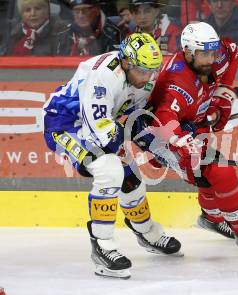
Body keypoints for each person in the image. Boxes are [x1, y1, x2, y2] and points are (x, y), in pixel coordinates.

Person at [42, 32, 182, 279]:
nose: (148, 77)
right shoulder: (103, 78)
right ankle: (102, 245)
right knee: (110, 169)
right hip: (64, 125)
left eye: (153, 70)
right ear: (126, 62)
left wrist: (164, 148)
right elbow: (104, 135)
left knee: (131, 180)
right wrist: (150, 146)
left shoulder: (142, 76)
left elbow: (137, 122)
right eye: (142, 70)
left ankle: (147, 231)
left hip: (98, 124)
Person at [142, 22, 238, 255]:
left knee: (207, 173)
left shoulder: (219, 55)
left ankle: (211, 218)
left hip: (192, 123)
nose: (210, 59)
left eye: (212, 52)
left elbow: (232, 52)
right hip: (163, 137)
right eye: (203, 54)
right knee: (220, 171)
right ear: (188, 52)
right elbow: (163, 120)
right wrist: (183, 145)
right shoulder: (176, 82)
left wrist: (221, 99)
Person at [55, 0, 120, 56]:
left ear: (96, 10)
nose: (81, 16)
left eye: (85, 10)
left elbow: (115, 65)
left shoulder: (112, 34)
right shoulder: (64, 35)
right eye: (76, 11)